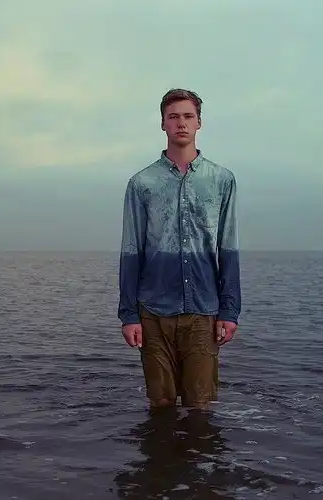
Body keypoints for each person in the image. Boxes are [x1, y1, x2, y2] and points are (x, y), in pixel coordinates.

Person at [118, 88, 241, 410]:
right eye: (173, 117)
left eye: (188, 116)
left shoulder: (222, 180)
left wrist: (229, 311)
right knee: (160, 404)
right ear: (163, 124)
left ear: (199, 122)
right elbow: (131, 250)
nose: (181, 123)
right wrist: (129, 315)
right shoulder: (142, 183)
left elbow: (228, 248)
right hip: (153, 310)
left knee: (200, 406)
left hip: (204, 309)